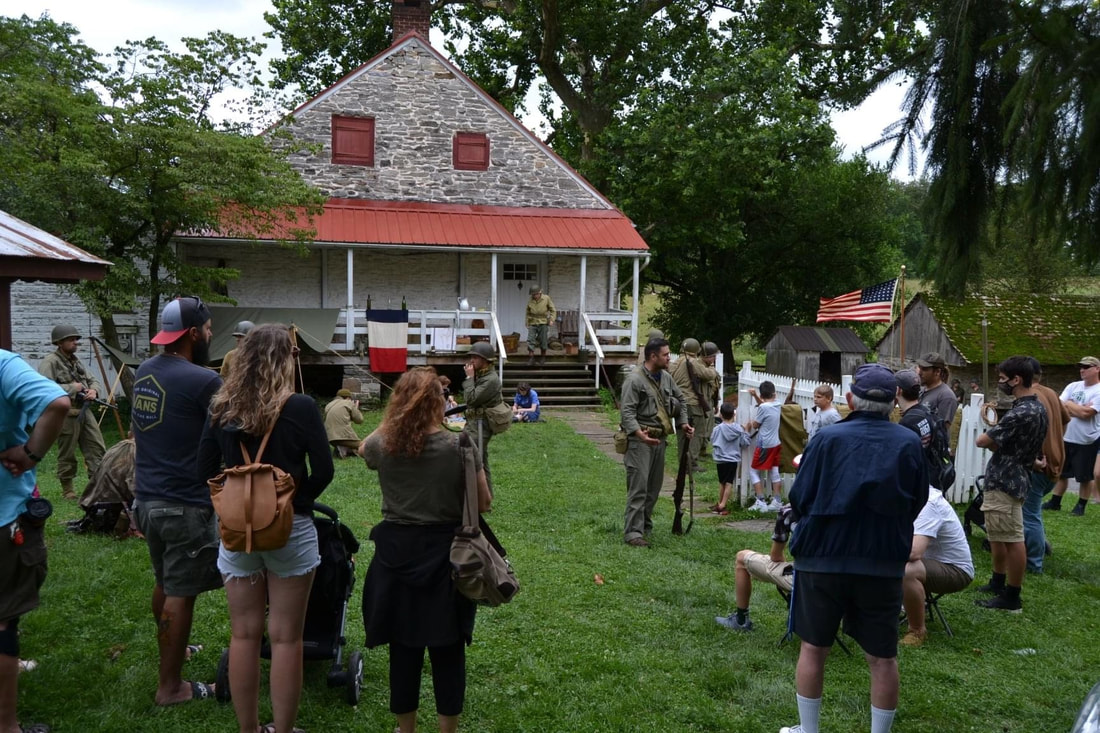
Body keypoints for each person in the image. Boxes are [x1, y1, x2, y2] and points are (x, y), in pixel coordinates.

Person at [198, 323, 334, 733]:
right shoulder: (302, 406)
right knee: (286, 637)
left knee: (243, 635)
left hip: (238, 530)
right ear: (287, 359)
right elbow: (324, 471)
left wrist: (233, 504)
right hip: (290, 529)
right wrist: (295, 500)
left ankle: (248, 728)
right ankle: (285, 728)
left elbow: (203, 470)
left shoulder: (221, 407)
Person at [782, 363, 928, 733]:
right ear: (895, 400)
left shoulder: (827, 440)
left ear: (849, 400)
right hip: (880, 559)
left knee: (814, 647)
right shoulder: (907, 442)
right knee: (882, 657)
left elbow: (800, 496)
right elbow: (918, 499)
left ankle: (809, 729)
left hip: (823, 557)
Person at [359, 368, 492, 733]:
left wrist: (394, 419)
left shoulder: (384, 445)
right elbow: (483, 502)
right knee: (448, 650)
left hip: (394, 555)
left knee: (404, 649)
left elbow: (362, 448)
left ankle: (406, 730)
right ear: (439, 403)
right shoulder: (460, 445)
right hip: (447, 558)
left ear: (399, 402)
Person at [131, 296, 223, 706]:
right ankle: (171, 687)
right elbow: (229, 432)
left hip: (147, 498)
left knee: (165, 581)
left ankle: (176, 650)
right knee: (180, 593)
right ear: (191, 334)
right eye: (206, 329)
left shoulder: (145, 371)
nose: (210, 335)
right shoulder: (204, 381)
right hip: (184, 502)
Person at [0, 349, 69, 733]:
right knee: (3, 619)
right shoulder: (3, 365)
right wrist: (29, 454)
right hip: (3, 517)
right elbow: (57, 402)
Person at [975, 356, 1048, 613]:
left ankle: (1012, 596)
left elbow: (983, 442)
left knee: (1012, 539)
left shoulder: (1020, 413)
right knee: (998, 534)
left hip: (1005, 479)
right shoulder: (1038, 408)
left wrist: (992, 432)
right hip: (1018, 475)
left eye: (1004, 378)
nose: (1001, 383)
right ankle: (998, 582)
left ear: (1017, 380)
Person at [619, 337, 691, 547]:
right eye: (666, 354)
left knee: (653, 489)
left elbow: (682, 401)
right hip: (639, 441)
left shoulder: (666, 378)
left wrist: (683, 423)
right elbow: (627, 412)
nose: (669, 358)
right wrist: (638, 434)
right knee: (638, 487)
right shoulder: (634, 380)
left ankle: (644, 527)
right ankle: (633, 533)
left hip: (659, 439)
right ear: (653, 356)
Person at [36, 324, 107, 500]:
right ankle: (68, 489)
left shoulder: (75, 361)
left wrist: (94, 391)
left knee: (96, 448)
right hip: (65, 413)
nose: (75, 342)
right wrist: (71, 388)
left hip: (84, 410)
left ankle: (97, 486)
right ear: (59, 342)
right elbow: (43, 387)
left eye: (76, 339)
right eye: (71, 339)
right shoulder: (50, 362)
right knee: (67, 452)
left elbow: (92, 380)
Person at [716, 504, 794, 631]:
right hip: (837, 581)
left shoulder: (791, 510)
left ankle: (741, 620)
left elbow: (776, 557)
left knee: (741, 558)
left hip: (804, 578)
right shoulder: (838, 508)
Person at [1024, 358, 1067, 573]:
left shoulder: (1032, 398)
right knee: (1032, 512)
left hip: (1040, 465)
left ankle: (1034, 563)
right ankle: (1036, 547)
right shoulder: (1051, 393)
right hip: (1056, 462)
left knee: (1029, 514)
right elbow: (1066, 419)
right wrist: (1056, 443)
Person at [1043, 355, 1100, 515]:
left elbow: (1087, 414)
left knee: (1084, 476)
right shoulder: (1073, 386)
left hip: (1087, 439)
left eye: (1086, 367)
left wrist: (1069, 405)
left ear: (1097, 369)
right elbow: (1058, 407)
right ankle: (1055, 501)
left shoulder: (1098, 390)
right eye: (1081, 367)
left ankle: (1081, 505)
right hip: (1067, 436)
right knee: (1062, 473)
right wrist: (1076, 407)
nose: (1082, 370)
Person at [462, 341, 504, 493]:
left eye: (476, 357)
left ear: (486, 360)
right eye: (471, 356)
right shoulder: (483, 376)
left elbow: (471, 399)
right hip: (474, 423)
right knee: (481, 461)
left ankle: (475, 497)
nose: (472, 360)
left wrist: (468, 379)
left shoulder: (491, 380)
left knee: (471, 459)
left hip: (481, 425)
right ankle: (486, 497)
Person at [670, 338, 719, 463]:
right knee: (697, 432)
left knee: (682, 435)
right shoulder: (692, 362)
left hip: (678, 402)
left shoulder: (675, 362)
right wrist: (712, 367)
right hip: (692, 403)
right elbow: (708, 375)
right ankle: (691, 462)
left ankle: (683, 461)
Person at [746, 381, 783, 512]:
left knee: (753, 471)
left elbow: (756, 425)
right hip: (776, 443)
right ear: (774, 393)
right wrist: (757, 396)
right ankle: (777, 500)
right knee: (774, 471)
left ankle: (760, 500)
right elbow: (766, 404)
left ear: (762, 395)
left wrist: (749, 423)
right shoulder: (777, 404)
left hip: (764, 445)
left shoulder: (763, 408)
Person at [709, 402, 750, 515]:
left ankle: (720, 503)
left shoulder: (717, 429)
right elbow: (745, 443)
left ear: (721, 415)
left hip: (720, 459)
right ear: (734, 415)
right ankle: (723, 505)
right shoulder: (738, 429)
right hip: (732, 459)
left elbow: (712, 440)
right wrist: (746, 431)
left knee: (721, 482)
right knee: (728, 482)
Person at [916, 352, 959, 426]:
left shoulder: (946, 396)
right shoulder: (922, 390)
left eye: (924, 369)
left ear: (937, 372)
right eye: (919, 368)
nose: (919, 373)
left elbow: (941, 430)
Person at [325, 388, 364, 459]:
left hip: (329, 437)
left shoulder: (329, 405)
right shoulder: (348, 403)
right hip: (343, 436)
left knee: (343, 442)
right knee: (363, 445)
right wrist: (355, 408)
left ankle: (341, 448)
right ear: (348, 397)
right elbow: (359, 420)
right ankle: (344, 448)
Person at [524, 286, 556, 366]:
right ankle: (531, 358)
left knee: (543, 340)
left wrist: (552, 319)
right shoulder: (530, 300)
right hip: (532, 322)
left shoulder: (546, 298)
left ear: (540, 293)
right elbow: (527, 312)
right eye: (533, 295)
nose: (534, 296)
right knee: (531, 340)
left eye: (535, 294)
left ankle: (543, 357)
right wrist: (527, 321)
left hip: (543, 322)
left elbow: (553, 310)